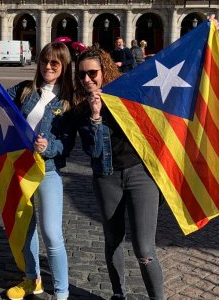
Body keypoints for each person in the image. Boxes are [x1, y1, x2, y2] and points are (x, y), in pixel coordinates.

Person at [74, 48, 164, 300]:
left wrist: (208, 31)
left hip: (140, 175)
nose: (87, 79)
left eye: (93, 73)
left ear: (105, 71)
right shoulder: (82, 109)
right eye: (82, 75)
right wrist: (94, 117)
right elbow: (93, 151)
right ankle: (118, 294)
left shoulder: (127, 93)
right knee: (113, 239)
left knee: (144, 249)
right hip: (106, 177)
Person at [5, 42, 75, 300]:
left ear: (64, 66)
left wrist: (48, 147)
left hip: (48, 171)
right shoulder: (25, 90)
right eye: (44, 61)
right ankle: (31, 279)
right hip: (21, 167)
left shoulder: (69, 101)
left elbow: (67, 143)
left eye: (54, 63)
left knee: (51, 233)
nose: (48, 66)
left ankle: (62, 292)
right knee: (25, 227)